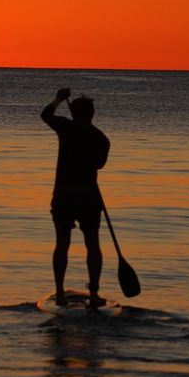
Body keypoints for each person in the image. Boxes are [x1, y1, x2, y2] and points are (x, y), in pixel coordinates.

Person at [41, 87, 110, 308]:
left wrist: (58, 99)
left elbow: (45, 115)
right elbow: (99, 165)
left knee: (62, 244)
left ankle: (60, 294)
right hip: (89, 197)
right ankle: (95, 294)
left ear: (74, 113)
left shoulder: (65, 127)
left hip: (64, 197)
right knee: (92, 244)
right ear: (92, 114)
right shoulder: (101, 138)